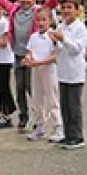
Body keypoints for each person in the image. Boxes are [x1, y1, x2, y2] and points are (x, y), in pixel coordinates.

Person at [0, 0, 59, 132]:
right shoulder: (14, 10)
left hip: (33, 57)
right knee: (19, 89)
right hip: (18, 55)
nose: (25, 0)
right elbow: (1, 0)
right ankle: (23, 117)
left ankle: (41, 119)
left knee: (33, 89)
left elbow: (52, 2)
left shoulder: (38, 11)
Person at [51, 0, 87, 149]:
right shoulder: (62, 25)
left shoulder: (80, 27)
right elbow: (60, 50)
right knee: (64, 105)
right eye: (63, 7)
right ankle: (68, 134)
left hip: (75, 73)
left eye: (69, 7)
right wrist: (55, 41)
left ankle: (77, 136)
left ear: (77, 10)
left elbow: (76, 50)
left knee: (74, 106)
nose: (66, 11)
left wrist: (62, 39)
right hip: (63, 72)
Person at [22, 9, 62, 142]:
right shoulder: (33, 36)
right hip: (36, 70)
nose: (40, 22)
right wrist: (28, 58)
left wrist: (39, 62)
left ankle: (58, 127)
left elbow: (56, 55)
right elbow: (29, 51)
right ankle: (39, 126)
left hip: (49, 70)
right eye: (38, 20)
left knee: (52, 98)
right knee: (37, 99)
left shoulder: (53, 36)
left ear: (50, 21)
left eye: (44, 19)